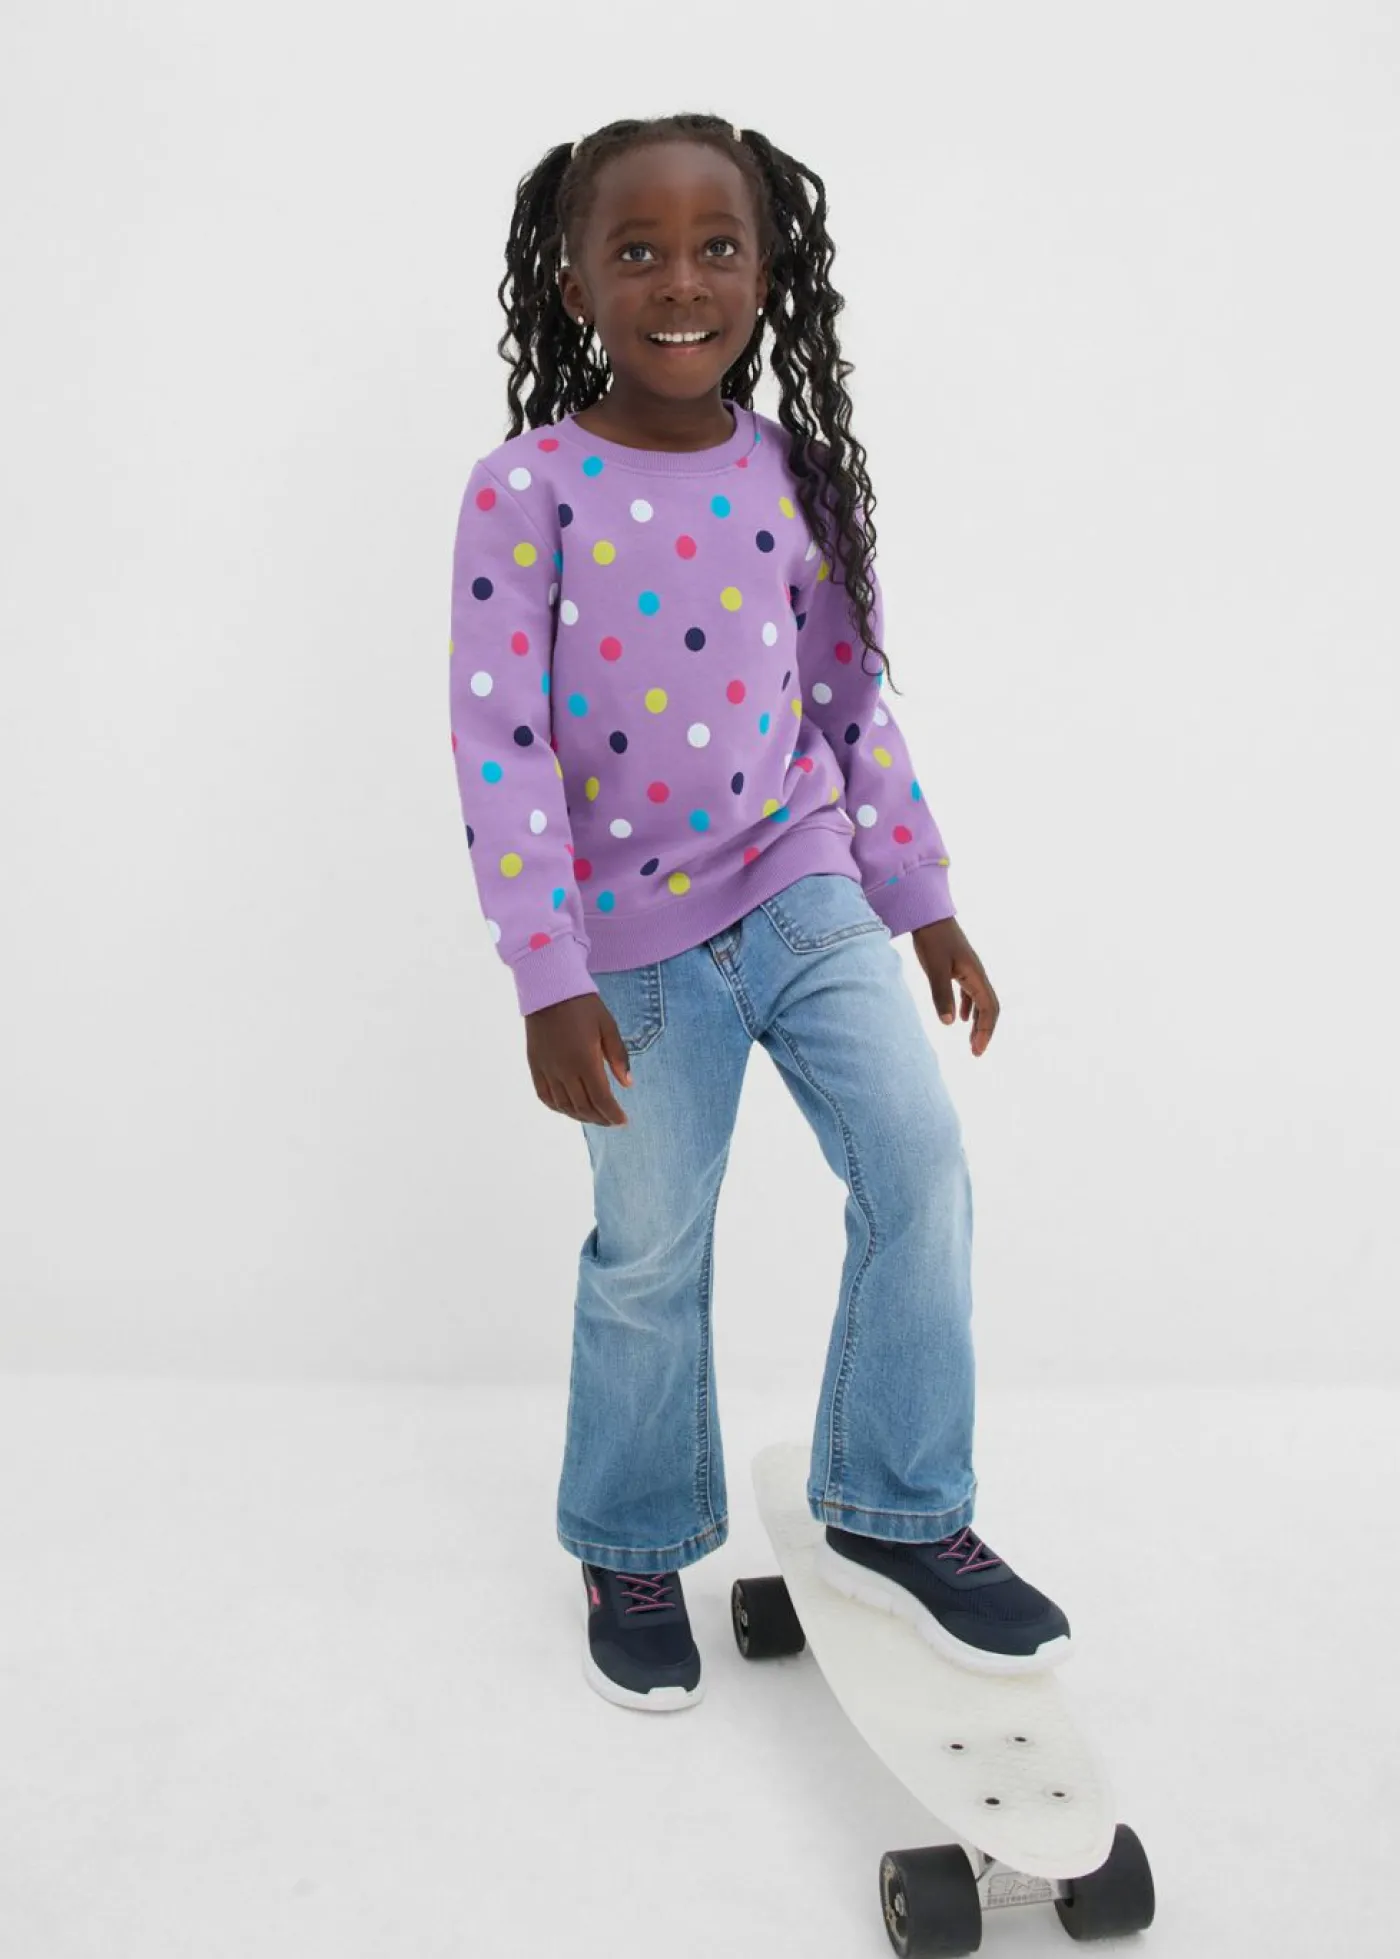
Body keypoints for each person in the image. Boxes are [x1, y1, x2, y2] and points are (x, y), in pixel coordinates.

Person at [448, 114, 1072, 1715]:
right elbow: (500, 745)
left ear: (768, 270)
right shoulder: (527, 490)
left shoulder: (793, 473)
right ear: (575, 284)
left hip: (801, 882)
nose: (682, 281)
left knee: (919, 1162)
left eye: (717, 247)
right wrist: (546, 972)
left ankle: (897, 1508)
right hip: (631, 952)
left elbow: (849, 704)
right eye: (638, 250)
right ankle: (632, 1540)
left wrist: (923, 903)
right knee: (650, 1247)